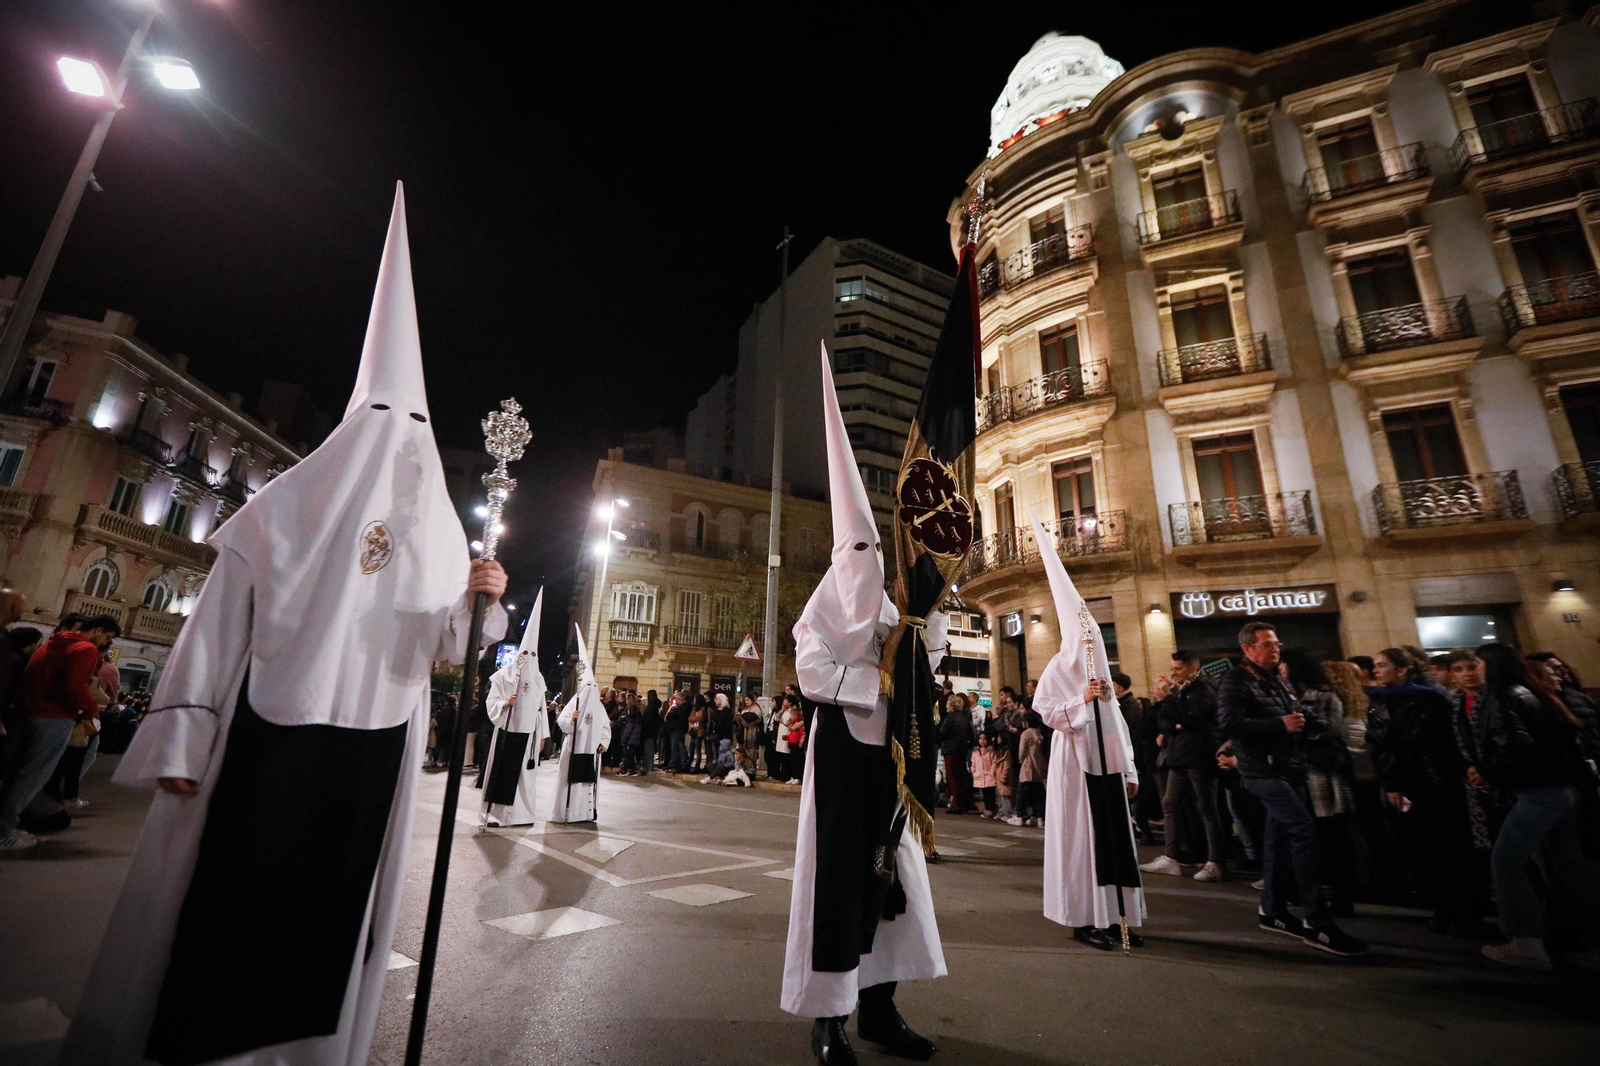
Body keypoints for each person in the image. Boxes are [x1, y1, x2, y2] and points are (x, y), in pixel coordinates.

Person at [59, 185, 511, 1066]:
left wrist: (477, 598)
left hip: (374, 750)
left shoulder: (437, 529)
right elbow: (214, 631)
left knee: (327, 928)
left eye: (415, 422)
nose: (400, 438)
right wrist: (183, 748)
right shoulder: (281, 513)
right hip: (263, 742)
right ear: (353, 424)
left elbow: (452, 654)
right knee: (232, 914)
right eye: (388, 417)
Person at [782, 350, 943, 1065]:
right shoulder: (819, 613)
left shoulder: (890, 608)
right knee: (839, 884)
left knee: (894, 885)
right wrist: (865, 683)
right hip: (843, 763)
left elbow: (923, 660)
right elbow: (814, 673)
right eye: (853, 549)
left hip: (893, 770)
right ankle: (829, 1018)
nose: (864, 559)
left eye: (871, 547)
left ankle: (879, 1008)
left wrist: (927, 613)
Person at [1028, 513, 1143, 952]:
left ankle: (1118, 917)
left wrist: (1129, 768)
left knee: (1114, 842)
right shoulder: (1059, 667)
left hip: (1108, 767)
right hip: (1076, 768)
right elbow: (1046, 709)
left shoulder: (1104, 676)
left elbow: (1118, 725)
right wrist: (1082, 701)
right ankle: (1083, 918)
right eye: (1086, 637)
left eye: (1095, 637)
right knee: (1082, 844)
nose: (1091, 645)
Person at [1217, 621, 1367, 957]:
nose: (1275, 650)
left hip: (1289, 768)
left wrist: (1312, 726)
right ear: (1248, 649)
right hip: (1264, 770)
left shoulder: (1276, 679)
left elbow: (1296, 711)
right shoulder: (1235, 680)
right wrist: (1279, 725)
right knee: (1304, 833)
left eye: (1277, 644)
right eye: (1267, 645)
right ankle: (1317, 922)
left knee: (1280, 836)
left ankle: (1272, 910)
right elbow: (1229, 724)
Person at [1470, 643, 1600, 970]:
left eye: (1477, 664)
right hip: (1561, 790)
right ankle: (1587, 933)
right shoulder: (1532, 692)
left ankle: (1525, 941)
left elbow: (1514, 746)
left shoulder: (1504, 697)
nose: (1474, 670)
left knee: (1506, 860)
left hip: (1539, 792)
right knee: (1569, 863)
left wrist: (1487, 771)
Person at [0, 614, 121, 850]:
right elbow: (74, 685)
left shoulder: (53, 643)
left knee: (13, 774)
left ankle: (5, 826)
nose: (107, 642)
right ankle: (3, 832)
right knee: (30, 778)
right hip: (53, 718)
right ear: (98, 629)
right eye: (108, 636)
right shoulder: (84, 649)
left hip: (25, 714)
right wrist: (90, 709)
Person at [1282, 651, 1357, 916]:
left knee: (1334, 834)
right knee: (1309, 836)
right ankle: (1311, 890)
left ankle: (1343, 895)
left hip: (1323, 774)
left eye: (1283, 663)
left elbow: (1330, 730)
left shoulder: (1324, 695)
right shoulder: (1287, 697)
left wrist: (1298, 729)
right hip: (1299, 774)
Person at [1142, 650, 1225, 883]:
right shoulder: (1182, 692)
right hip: (1179, 757)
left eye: (1178, 669)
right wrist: (1174, 724)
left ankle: (1215, 862)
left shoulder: (1205, 689)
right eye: (1173, 668)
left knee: (1207, 808)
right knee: (1170, 803)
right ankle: (1171, 857)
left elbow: (1193, 719)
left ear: (1193, 669)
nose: (1173, 673)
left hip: (1200, 756)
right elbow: (1166, 720)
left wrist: (1172, 707)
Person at [480, 589, 550, 827]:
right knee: (504, 774)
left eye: (533, 654)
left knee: (523, 777)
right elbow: (491, 702)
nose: (529, 658)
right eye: (526, 653)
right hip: (507, 732)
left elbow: (542, 711)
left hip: (528, 735)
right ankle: (497, 814)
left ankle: (522, 814)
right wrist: (503, 704)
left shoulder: (539, 679)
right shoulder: (502, 677)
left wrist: (543, 737)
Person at [552, 628, 611, 822]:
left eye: (594, 688)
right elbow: (562, 722)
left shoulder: (599, 707)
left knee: (586, 782)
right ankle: (567, 813)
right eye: (588, 688)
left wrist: (603, 742)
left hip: (591, 750)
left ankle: (584, 813)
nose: (591, 691)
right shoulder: (574, 703)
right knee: (570, 782)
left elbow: (605, 727)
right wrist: (572, 720)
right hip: (574, 748)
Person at [938, 691, 977, 814]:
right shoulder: (964, 718)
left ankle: (957, 804)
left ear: (952, 705)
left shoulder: (950, 717)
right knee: (961, 777)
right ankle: (964, 803)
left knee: (953, 778)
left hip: (951, 750)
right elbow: (971, 734)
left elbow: (943, 734)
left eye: (948, 704)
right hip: (962, 750)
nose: (946, 706)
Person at [1015, 712, 1047, 826]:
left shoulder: (1026, 734)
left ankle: (1019, 816)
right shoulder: (1039, 734)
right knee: (1038, 794)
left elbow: (1022, 752)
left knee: (1022, 793)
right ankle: (1039, 817)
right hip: (1039, 766)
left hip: (1028, 765)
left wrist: (1021, 760)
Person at [970, 733, 999, 817]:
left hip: (989, 776)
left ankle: (991, 809)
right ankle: (987, 809)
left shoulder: (991, 751)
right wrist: (974, 772)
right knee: (984, 794)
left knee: (991, 793)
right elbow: (973, 763)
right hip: (979, 776)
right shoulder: (975, 752)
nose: (982, 741)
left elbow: (994, 762)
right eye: (980, 738)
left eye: (984, 738)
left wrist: (991, 772)